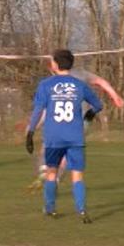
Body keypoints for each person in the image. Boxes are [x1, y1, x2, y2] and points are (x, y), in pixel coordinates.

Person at [26, 49, 104, 223]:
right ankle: (82, 210)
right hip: (75, 136)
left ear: (55, 64)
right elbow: (98, 105)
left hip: (53, 137)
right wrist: (90, 114)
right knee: (77, 175)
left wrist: (30, 132)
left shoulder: (46, 84)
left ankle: (50, 208)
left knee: (51, 173)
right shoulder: (79, 85)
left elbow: (38, 110)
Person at [29, 63, 124, 190]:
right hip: (76, 120)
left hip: (77, 120)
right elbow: (101, 82)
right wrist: (115, 96)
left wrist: (115, 96)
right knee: (59, 146)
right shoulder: (67, 77)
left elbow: (100, 81)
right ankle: (52, 175)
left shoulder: (75, 76)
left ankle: (51, 175)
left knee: (57, 146)